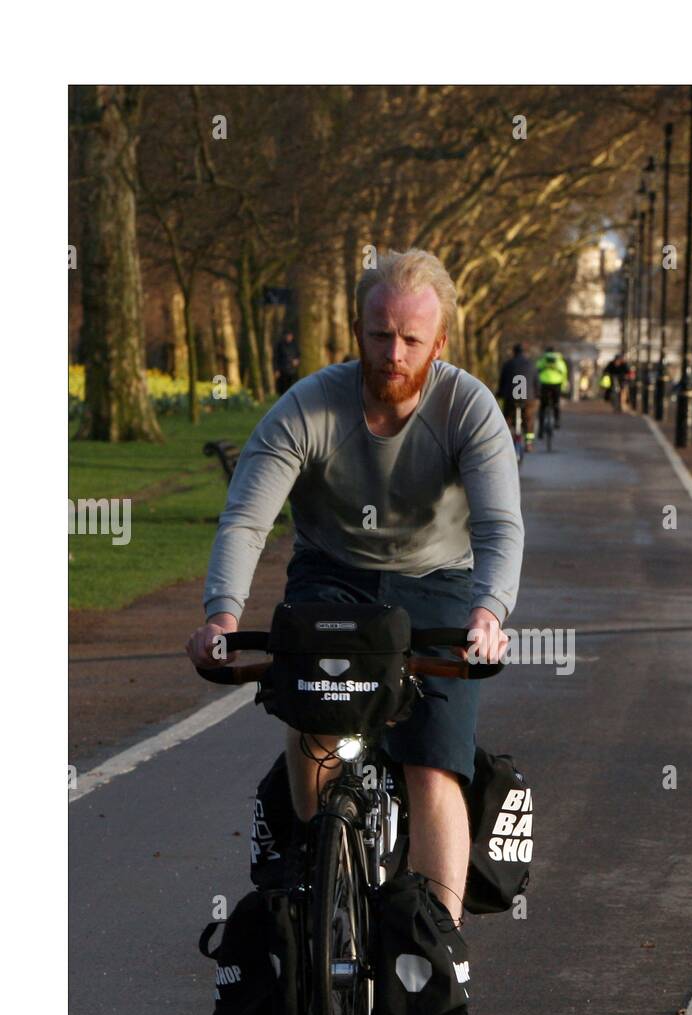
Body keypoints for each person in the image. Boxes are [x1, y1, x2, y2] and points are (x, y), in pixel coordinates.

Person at [187, 248, 523, 947]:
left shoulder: (467, 407)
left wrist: (488, 614)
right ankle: (318, 884)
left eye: (410, 339)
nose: (392, 353)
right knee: (319, 730)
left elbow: (497, 526)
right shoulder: (309, 406)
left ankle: (435, 954)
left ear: (440, 343)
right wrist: (222, 615)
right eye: (379, 334)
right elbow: (248, 519)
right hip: (331, 575)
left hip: (438, 584)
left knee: (433, 765)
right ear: (357, 330)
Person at [497, 342, 538, 449]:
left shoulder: (508, 364)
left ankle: (503, 441)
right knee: (529, 418)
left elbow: (502, 381)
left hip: (510, 398)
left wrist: (500, 393)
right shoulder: (531, 364)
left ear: (514, 352)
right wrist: (537, 394)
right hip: (528, 397)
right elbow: (536, 382)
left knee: (507, 419)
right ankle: (529, 443)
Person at [535, 345, 569, 434]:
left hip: (544, 384)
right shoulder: (559, 360)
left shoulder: (542, 360)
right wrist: (564, 385)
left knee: (542, 407)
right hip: (556, 384)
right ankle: (557, 422)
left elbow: (536, 371)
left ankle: (541, 430)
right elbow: (564, 373)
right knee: (556, 403)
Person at [273, 330, 300, 395]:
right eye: (288, 336)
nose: (289, 337)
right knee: (283, 389)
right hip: (283, 371)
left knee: (292, 387)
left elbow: (298, 355)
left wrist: (297, 360)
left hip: (292, 371)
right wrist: (276, 369)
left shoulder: (294, 345)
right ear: (285, 336)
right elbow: (276, 358)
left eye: (290, 336)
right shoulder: (280, 345)